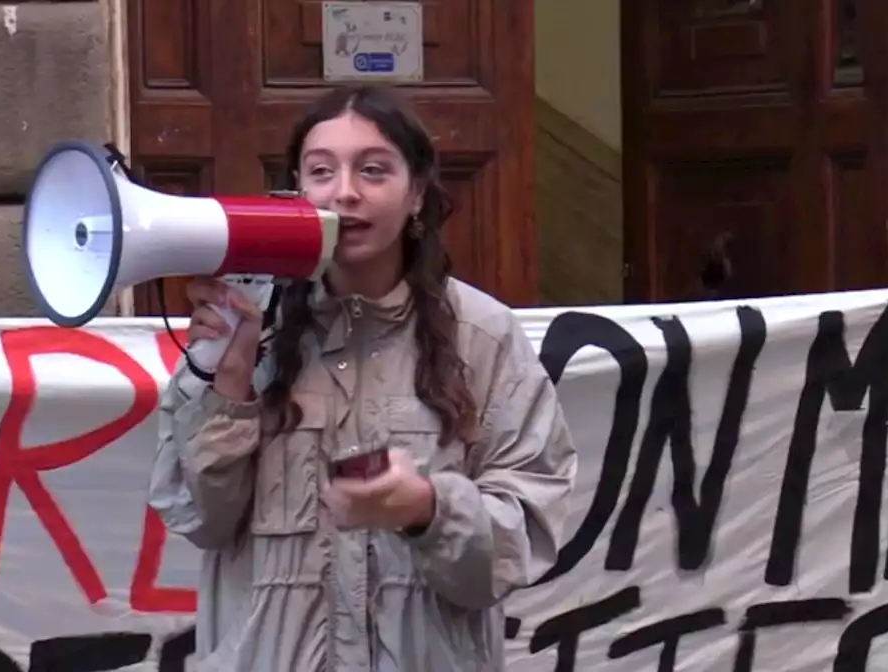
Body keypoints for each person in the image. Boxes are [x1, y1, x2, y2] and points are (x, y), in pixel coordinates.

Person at [148, 85, 577, 671]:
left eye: (373, 170)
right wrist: (228, 381)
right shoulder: (247, 324)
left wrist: (426, 508)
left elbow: (520, 542)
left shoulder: (484, 337)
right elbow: (202, 519)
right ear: (298, 190)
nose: (345, 193)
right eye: (321, 172)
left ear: (417, 192)